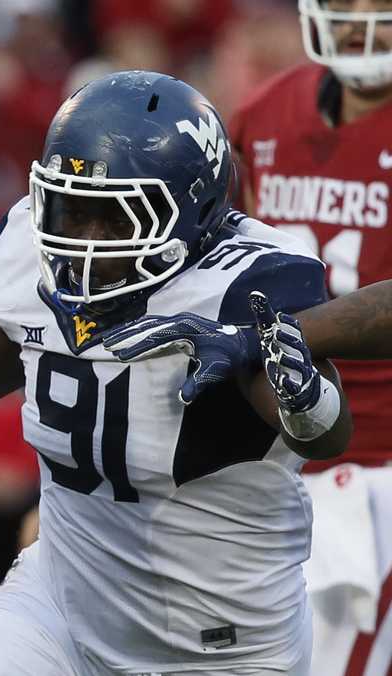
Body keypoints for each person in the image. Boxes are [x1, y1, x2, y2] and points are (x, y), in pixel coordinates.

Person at [0, 70, 352, 675]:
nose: (85, 241)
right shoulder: (32, 252)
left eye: (118, 220)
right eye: (72, 210)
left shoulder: (241, 288)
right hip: (60, 610)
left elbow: (324, 434)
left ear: (192, 212)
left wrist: (302, 393)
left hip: (219, 646)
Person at [100, 2, 392, 672]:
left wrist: (267, 335)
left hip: (378, 463)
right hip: (271, 456)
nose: (360, 20)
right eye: (345, 2)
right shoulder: (264, 113)